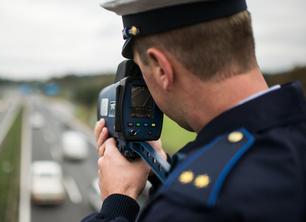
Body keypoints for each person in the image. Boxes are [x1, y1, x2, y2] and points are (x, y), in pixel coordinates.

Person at [82, 0, 306, 221]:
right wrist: (161, 166)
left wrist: (116, 203)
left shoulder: (189, 207)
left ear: (161, 69)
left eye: (142, 71)